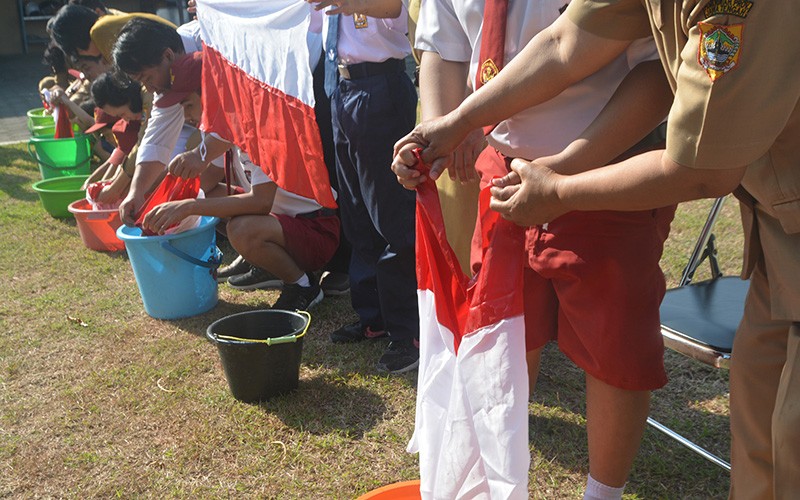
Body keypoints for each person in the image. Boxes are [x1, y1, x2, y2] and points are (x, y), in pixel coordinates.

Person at [396, 1, 800, 498]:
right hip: (777, 218)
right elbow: (564, 42)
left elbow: (702, 169)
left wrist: (562, 184)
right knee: (763, 428)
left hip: (664, 181)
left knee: (782, 433)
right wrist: (461, 121)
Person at [393, 0, 679, 497]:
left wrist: (564, 173)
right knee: (503, 329)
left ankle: (602, 493)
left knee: (612, 346)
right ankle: (497, 477)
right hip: (501, 164)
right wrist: (439, 131)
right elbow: (444, 43)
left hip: (605, 164)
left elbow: (655, 70)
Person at [141, 53, 340, 311]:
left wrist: (188, 207)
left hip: (316, 230)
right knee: (208, 195)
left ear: (213, 97)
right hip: (283, 222)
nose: (186, 116)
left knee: (241, 229)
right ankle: (267, 264)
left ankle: (303, 285)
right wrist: (164, 198)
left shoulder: (261, 127)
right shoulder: (223, 131)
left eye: (188, 105)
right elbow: (204, 186)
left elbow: (260, 202)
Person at [308, 0, 420, 374]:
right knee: (356, 211)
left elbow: (399, 12)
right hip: (341, 88)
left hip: (380, 86)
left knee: (391, 213)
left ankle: (408, 330)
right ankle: (374, 316)